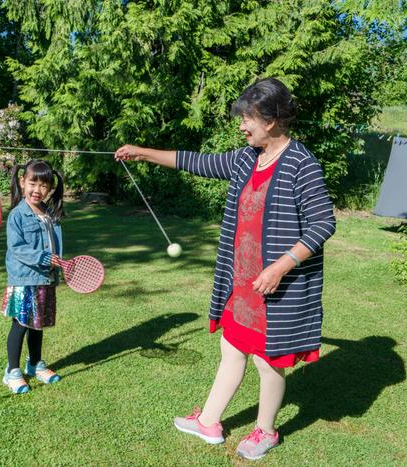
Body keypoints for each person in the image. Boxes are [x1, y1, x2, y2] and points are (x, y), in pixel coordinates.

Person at [115, 78, 336, 460]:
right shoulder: (245, 158)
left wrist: (281, 267)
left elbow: (323, 224)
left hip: (275, 286)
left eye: (247, 118)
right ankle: (209, 422)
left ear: (271, 119)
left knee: (269, 363)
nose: (241, 125)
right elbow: (194, 161)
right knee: (231, 348)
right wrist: (142, 153)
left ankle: (266, 431)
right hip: (241, 281)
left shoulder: (302, 163)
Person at [1, 159, 65, 394]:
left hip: (45, 279)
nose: (37, 190)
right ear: (22, 182)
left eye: (44, 186)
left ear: (50, 188)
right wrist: (44, 258)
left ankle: (35, 364)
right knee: (21, 324)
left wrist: (58, 262)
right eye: (32, 183)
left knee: (38, 325)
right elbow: (17, 247)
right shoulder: (17, 215)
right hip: (24, 279)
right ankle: (12, 372)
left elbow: (55, 244)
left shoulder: (49, 213)